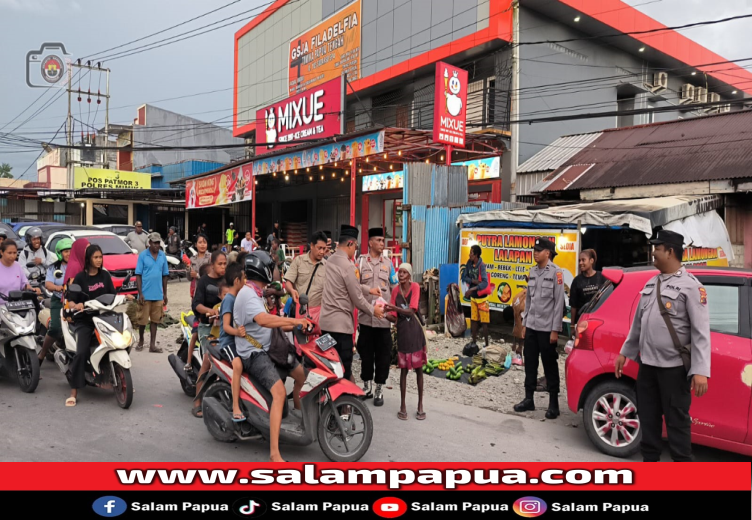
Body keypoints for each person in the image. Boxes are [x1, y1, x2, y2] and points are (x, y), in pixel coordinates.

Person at [615, 230, 710, 462]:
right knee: (648, 421)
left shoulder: (692, 287)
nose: (653, 253)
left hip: (674, 370)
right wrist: (625, 353)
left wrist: (700, 371)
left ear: (669, 251)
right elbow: (638, 324)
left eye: (657, 248)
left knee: (677, 425)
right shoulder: (651, 283)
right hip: (647, 366)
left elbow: (701, 332)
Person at [234, 251, 310, 462]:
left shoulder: (256, 291)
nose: (276, 270)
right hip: (254, 353)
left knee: (302, 376)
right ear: (262, 269)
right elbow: (264, 320)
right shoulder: (248, 294)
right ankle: (275, 453)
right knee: (278, 393)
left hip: (270, 345)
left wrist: (299, 322)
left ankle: (299, 418)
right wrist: (294, 323)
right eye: (273, 267)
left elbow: (272, 319)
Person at [320, 225, 385, 382]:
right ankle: (345, 404)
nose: (355, 249)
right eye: (355, 245)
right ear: (350, 243)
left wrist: (369, 290)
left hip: (325, 326)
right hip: (341, 329)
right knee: (344, 369)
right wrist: (373, 310)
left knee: (329, 367)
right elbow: (356, 297)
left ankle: (328, 401)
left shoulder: (330, 261)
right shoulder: (348, 265)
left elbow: (349, 284)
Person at [514, 238, 565, 419]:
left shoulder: (556, 273)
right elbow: (529, 301)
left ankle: (553, 403)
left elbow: (559, 304)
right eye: (534, 250)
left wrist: (555, 330)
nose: (535, 252)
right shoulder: (532, 272)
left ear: (548, 253)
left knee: (549, 364)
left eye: (539, 250)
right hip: (532, 327)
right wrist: (525, 324)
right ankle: (529, 399)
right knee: (530, 362)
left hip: (547, 328)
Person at [65, 244, 116, 407]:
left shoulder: (105, 276)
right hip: (85, 320)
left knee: (119, 343)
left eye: (101, 257)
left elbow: (113, 295)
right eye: (96, 257)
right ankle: (74, 391)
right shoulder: (80, 278)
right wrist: (76, 305)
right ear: (88, 259)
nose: (99, 260)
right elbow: (71, 299)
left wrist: (124, 297)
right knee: (81, 352)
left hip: (104, 318)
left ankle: (119, 377)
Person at [356, 227, 397, 405]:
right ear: (370, 242)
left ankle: (379, 388)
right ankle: (367, 386)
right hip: (365, 319)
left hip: (383, 321)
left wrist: (395, 313)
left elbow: (395, 290)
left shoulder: (389, 264)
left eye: (383, 241)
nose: (382, 244)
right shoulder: (360, 262)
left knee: (383, 356)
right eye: (379, 240)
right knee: (366, 355)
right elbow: (354, 287)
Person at [386, 263, 427, 421]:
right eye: (399, 272)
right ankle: (402, 406)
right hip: (403, 333)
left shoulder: (415, 287)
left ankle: (420, 405)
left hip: (415, 332)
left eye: (404, 272)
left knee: (419, 370)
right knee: (403, 370)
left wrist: (393, 309)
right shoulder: (395, 291)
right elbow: (393, 316)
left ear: (409, 275)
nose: (401, 275)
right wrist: (383, 313)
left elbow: (412, 310)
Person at [190, 250, 227, 417]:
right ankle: (197, 401)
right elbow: (196, 304)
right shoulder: (204, 281)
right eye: (220, 264)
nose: (223, 267)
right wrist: (210, 311)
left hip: (225, 328)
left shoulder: (227, 281)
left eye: (225, 263)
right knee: (207, 363)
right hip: (207, 327)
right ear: (212, 264)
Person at [217, 263, 247, 421]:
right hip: (228, 341)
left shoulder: (239, 297)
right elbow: (227, 327)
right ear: (237, 281)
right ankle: (235, 405)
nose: (246, 281)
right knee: (238, 365)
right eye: (244, 279)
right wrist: (238, 333)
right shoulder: (229, 299)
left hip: (239, 339)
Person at [38, 238, 73, 363]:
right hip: (58, 300)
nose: (68, 253)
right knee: (55, 328)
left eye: (70, 251)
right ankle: (42, 353)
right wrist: (58, 287)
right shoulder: (54, 267)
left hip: (75, 301)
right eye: (65, 251)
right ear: (59, 253)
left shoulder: (78, 266)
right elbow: (48, 284)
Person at [135, 232, 169, 353]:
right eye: (154, 243)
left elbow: (165, 276)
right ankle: (140, 341)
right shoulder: (143, 256)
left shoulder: (162, 256)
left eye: (158, 243)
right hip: (145, 294)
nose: (156, 245)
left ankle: (152, 345)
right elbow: (138, 275)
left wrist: (165, 294)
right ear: (149, 243)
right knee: (142, 321)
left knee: (155, 320)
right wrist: (140, 293)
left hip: (158, 294)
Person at [284, 231, 327, 322]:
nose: (322, 252)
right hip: (300, 311)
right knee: (299, 335)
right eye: (319, 248)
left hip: (319, 313)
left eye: (324, 249)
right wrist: (292, 290)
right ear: (311, 246)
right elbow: (288, 282)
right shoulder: (299, 261)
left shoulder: (327, 266)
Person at [461, 244, 491, 350]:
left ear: (476, 255)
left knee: (484, 322)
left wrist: (472, 289)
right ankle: (474, 342)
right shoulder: (469, 263)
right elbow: (464, 277)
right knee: (474, 320)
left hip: (482, 298)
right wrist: (473, 281)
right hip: (473, 298)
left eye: (471, 253)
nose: (469, 255)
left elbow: (484, 284)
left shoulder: (481, 265)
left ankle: (487, 345)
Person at [570, 249, 606, 326]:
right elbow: (573, 305)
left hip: (598, 320)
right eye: (579, 260)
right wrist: (572, 325)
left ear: (591, 261)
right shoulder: (577, 280)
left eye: (583, 260)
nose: (580, 263)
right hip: (581, 322)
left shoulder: (601, 277)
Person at [0, 240, 38, 304]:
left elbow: (24, 284)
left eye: (14, 253)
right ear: (1, 252)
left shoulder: (18, 266)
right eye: (9, 253)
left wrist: (32, 290)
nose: (12, 256)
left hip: (17, 306)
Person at [189, 234, 212, 299]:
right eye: (200, 242)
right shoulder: (192, 259)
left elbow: (211, 275)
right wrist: (188, 267)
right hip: (196, 290)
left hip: (208, 290)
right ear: (196, 244)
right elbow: (189, 278)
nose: (202, 245)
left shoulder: (211, 257)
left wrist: (197, 275)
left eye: (204, 242)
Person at [511, 277, 528, 366]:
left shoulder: (520, 296)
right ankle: (520, 352)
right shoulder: (524, 297)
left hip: (522, 317)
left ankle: (519, 350)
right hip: (524, 317)